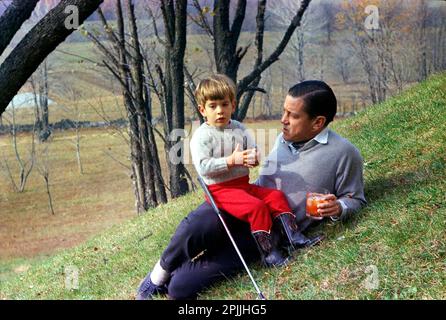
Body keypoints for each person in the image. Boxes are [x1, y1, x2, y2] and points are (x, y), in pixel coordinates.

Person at [136, 80, 367, 300]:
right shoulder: (283, 139)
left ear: (317, 122)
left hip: (264, 232)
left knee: (179, 289)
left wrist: (338, 207)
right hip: (240, 205)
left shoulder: (345, 153)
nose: (283, 120)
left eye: (293, 116)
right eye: (284, 111)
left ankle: (173, 277)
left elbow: (355, 198)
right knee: (197, 224)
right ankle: (158, 275)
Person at [189, 74, 312, 267]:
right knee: (256, 207)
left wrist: (253, 158)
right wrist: (231, 161)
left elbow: (253, 153)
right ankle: (269, 253)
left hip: (243, 185)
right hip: (220, 191)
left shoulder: (239, 128)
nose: (220, 111)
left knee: (276, 197)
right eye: (213, 106)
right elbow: (204, 167)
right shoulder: (201, 136)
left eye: (224, 104)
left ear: (233, 105)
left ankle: (293, 236)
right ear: (202, 109)